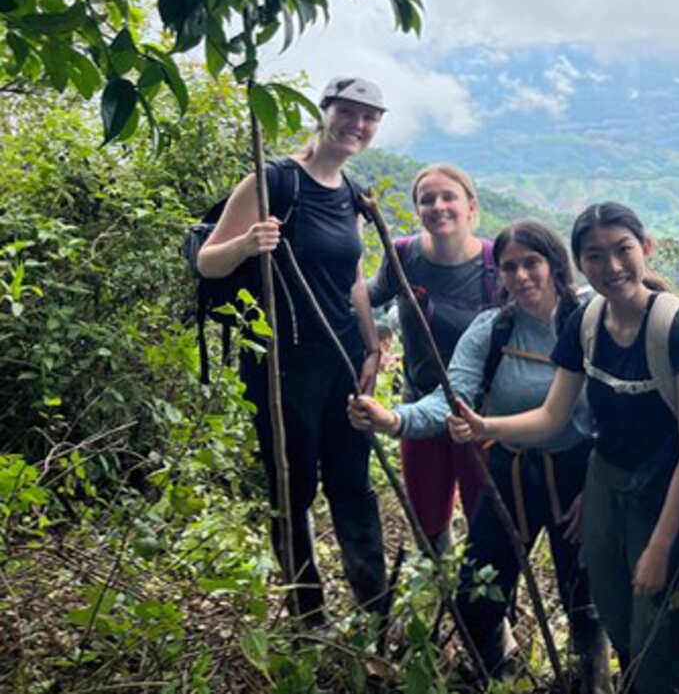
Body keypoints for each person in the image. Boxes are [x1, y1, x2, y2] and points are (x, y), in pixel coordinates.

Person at [449, 202, 679, 694]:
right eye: (595, 255)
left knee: (655, 638)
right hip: (605, 488)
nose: (611, 267)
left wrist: (660, 545)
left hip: (660, 499)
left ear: (646, 249)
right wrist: (485, 424)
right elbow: (553, 415)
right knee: (611, 615)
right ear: (579, 263)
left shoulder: (675, 329)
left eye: (622, 250)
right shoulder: (585, 323)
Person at [349, 220, 608, 688]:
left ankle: (590, 683)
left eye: (532, 263)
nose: (522, 275)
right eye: (510, 267)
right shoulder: (493, 328)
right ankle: (492, 673)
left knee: (585, 603)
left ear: (554, 265)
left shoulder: (589, 320)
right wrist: (393, 419)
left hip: (579, 475)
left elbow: (619, 409)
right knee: (477, 594)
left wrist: (598, 486)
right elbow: (451, 399)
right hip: (510, 470)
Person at [196, 76, 388, 627]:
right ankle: (310, 616)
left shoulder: (350, 191)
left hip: (342, 360)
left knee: (353, 482)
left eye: (370, 117)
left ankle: (376, 609)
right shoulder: (274, 180)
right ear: (323, 112)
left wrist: (372, 345)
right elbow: (208, 261)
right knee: (293, 485)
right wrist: (246, 244)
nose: (358, 125)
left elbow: (351, 278)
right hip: (282, 363)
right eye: (348, 112)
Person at [365, 163, 497, 554]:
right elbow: (369, 295)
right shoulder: (403, 255)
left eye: (448, 197)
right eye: (427, 200)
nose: (438, 206)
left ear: (471, 206)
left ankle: (487, 607)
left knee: (486, 517)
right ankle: (440, 589)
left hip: (480, 416)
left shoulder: (496, 264)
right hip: (419, 404)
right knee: (427, 518)